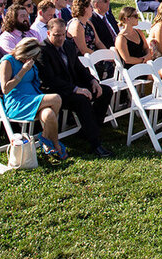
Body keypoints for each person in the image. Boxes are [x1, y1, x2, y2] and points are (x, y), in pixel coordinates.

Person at [35, 19, 114, 157]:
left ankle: (88, 130)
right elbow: (50, 80)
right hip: (57, 92)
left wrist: (92, 81)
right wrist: (76, 89)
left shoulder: (68, 45)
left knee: (105, 91)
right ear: (48, 33)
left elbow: (79, 68)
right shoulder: (42, 51)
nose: (60, 38)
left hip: (73, 85)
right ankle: (95, 143)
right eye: (56, 35)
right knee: (82, 100)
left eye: (63, 34)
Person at [0, 37, 64, 158]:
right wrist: (23, 71)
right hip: (17, 102)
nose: (29, 60)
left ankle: (48, 140)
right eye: (28, 56)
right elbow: (5, 89)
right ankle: (51, 142)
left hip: (33, 98)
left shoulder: (28, 62)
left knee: (49, 114)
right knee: (56, 98)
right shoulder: (7, 61)